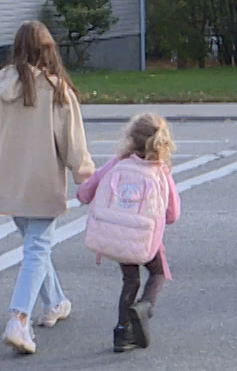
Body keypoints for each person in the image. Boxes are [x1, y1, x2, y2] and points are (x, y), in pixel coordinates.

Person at [0, 20, 95, 355]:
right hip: (44, 186)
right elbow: (74, 147)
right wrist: (87, 180)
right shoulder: (57, 90)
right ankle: (19, 318)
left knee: (36, 247)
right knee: (37, 248)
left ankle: (55, 303)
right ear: (49, 50)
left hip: (11, 187)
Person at [77, 112, 181, 353]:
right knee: (158, 274)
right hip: (146, 239)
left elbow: (85, 193)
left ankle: (122, 331)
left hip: (116, 235)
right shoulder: (160, 172)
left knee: (130, 280)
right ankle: (144, 306)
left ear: (131, 139)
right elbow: (172, 214)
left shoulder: (118, 163)